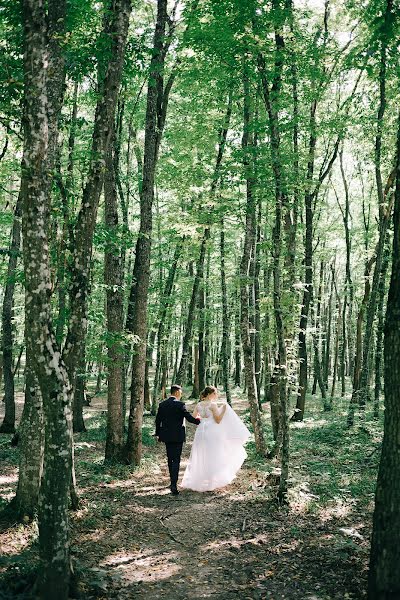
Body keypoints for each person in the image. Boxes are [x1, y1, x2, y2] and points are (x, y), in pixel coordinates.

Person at [181, 385, 251, 492]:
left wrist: (203, 419)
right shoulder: (212, 405)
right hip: (211, 431)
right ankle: (211, 481)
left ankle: (200, 479)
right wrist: (223, 409)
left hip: (200, 431)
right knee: (212, 454)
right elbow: (218, 420)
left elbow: (194, 417)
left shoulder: (199, 404)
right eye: (215, 393)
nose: (216, 395)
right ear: (210, 394)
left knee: (201, 454)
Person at [155, 384, 200, 495]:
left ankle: (172, 482)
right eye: (180, 392)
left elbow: (157, 420)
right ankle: (174, 484)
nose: (181, 394)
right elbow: (189, 418)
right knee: (176, 459)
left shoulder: (162, 404)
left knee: (170, 459)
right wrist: (199, 421)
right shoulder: (180, 405)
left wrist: (158, 433)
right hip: (178, 436)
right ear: (176, 392)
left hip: (166, 436)